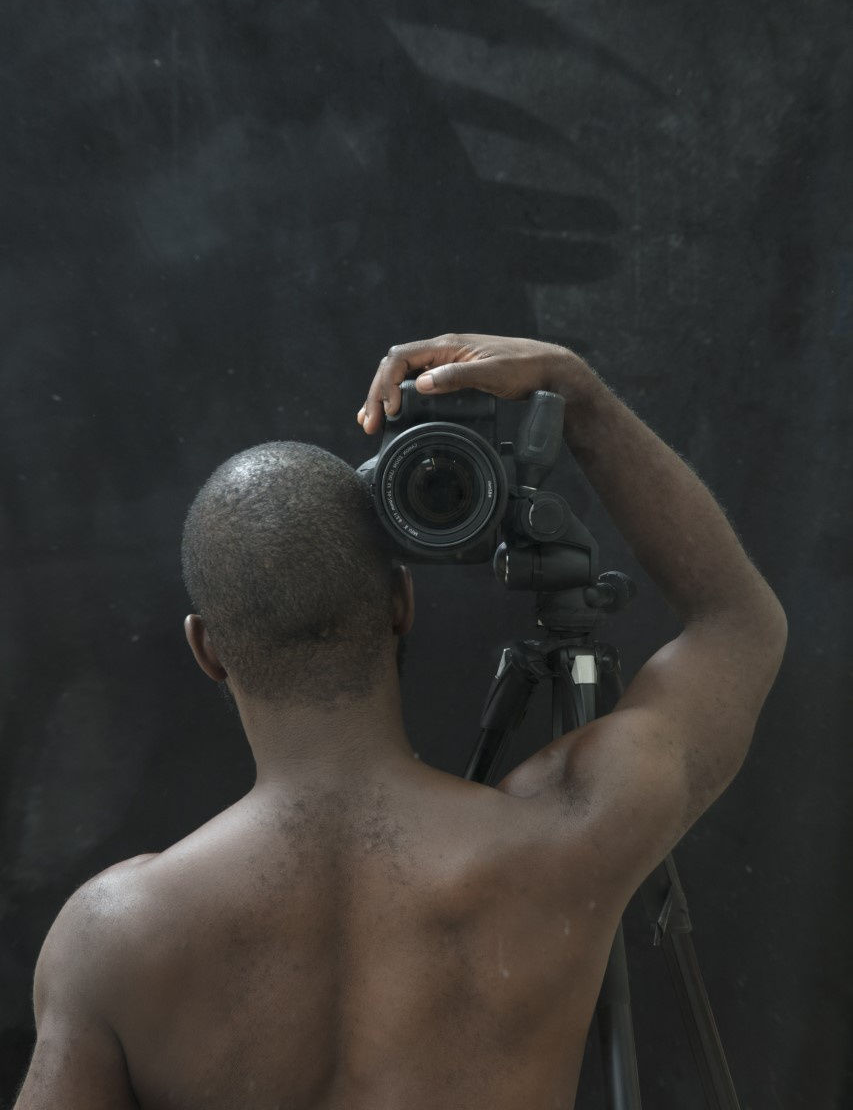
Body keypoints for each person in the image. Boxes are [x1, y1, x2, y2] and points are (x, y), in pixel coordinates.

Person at [14, 332, 787, 1110]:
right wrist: (576, 395)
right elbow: (737, 625)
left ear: (208, 649)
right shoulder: (564, 837)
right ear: (401, 605)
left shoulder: (109, 936)